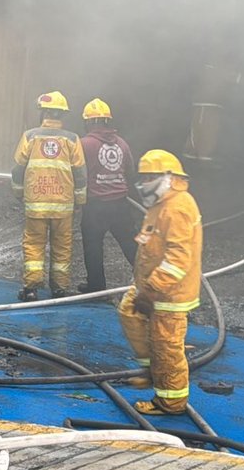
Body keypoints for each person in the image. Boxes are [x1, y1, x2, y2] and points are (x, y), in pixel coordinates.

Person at [116, 150, 203, 416]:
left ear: (170, 177)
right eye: (143, 176)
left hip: (169, 294)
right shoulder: (160, 203)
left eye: (152, 176)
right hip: (150, 287)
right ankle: (151, 372)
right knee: (129, 313)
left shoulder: (177, 208)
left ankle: (170, 401)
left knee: (166, 346)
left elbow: (177, 259)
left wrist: (152, 290)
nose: (145, 182)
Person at [12, 91, 86, 300]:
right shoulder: (72, 139)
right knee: (62, 247)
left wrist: (19, 193)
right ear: (63, 115)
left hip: (36, 203)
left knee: (34, 244)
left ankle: (31, 289)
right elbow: (80, 173)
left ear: (43, 112)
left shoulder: (30, 136)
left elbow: (17, 169)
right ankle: (59, 289)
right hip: (63, 205)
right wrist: (80, 200)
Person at [78, 98, 139, 293]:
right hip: (120, 204)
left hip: (95, 205)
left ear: (89, 121)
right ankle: (150, 280)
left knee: (93, 246)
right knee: (130, 243)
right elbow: (130, 171)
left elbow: (78, 173)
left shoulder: (84, 144)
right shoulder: (122, 143)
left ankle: (96, 287)